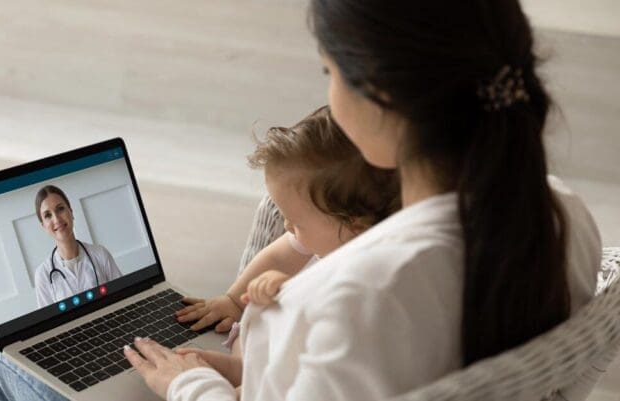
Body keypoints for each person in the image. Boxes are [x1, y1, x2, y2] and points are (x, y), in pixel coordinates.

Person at [122, 0, 602, 400]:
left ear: (379, 94)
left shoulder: (354, 298)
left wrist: (189, 385)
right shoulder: (563, 214)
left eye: (330, 71)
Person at [175, 106, 399, 341]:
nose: (286, 225)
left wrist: (289, 296)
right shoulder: (332, 231)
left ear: (357, 229)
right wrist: (233, 301)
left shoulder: (367, 283)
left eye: (298, 223)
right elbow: (279, 257)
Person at [33, 185, 123, 307]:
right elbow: (50, 324)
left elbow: (124, 297)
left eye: (60, 209)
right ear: (43, 226)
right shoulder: (43, 275)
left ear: (71, 212)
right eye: (48, 215)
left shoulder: (100, 254)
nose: (56, 219)